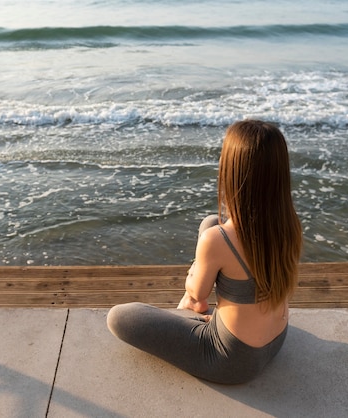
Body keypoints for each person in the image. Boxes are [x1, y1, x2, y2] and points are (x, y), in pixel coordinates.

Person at [107, 119, 303, 384]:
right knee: (211, 222)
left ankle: (191, 308)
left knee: (119, 317)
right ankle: (197, 302)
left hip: (233, 359)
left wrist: (195, 271)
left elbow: (198, 290)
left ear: (232, 171)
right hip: (278, 339)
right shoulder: (290, 225)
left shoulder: (219, 241)